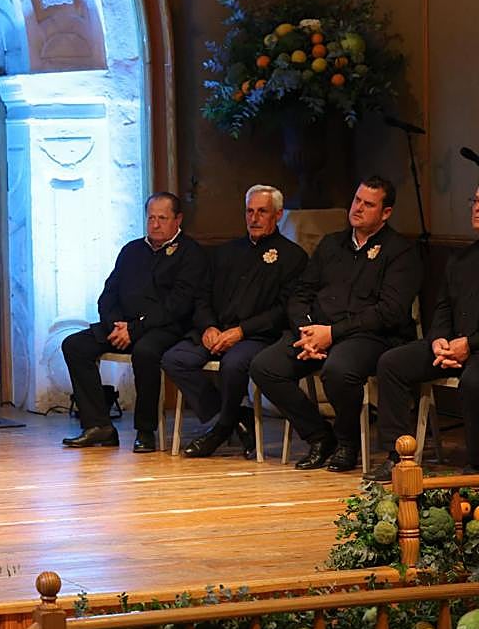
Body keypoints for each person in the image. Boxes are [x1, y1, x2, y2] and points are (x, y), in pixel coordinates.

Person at [250, 176, 423, 472]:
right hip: (317, 332)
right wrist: (307, 330)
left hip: (371, 337)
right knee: (265, 366)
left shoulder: (401, 251)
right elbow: (300, 293)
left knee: (339, 371)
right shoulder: (332, 244)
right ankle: (319, 436)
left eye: (368, 204)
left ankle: (348, 442)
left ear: (386, 213)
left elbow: (389, 312)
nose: (358, 208)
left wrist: (331, 334)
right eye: (357, 200)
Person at [161, 185, 307, 458]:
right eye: (250, 211)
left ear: (277, 215)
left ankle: (220, 429)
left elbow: (282, 310)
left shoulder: (293, 257)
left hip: (258, 336)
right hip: (216, 330)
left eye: (262, 212)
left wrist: (242, 331)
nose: (254, 218)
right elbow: (201, 295)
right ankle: (236, 415)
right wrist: (208, 326)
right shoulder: (225, 252)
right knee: (174, 359)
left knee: (234, 364)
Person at [60, 192, 208, 453]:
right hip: (123, 327)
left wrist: (135, 328)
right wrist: (116, 324)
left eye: (162, 218)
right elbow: (108, 295)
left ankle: (145, 430)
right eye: (151, 217)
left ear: (178, 220)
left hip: (164, 329)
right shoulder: (131, 250)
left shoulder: (191, 253)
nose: (155, 224)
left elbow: (178, 305)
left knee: (145, 352)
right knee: (74, 345)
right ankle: (98, 425)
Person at [365, 185, 479, 481]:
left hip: (474, 347)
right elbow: (441, 307)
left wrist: (469, 343)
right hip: (452, 345)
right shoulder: (461, 259)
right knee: (392, 363)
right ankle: (397, 456)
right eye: (475, 200)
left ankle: (476, 464)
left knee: (474, 382)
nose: (476, 208)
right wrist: (438, 340)